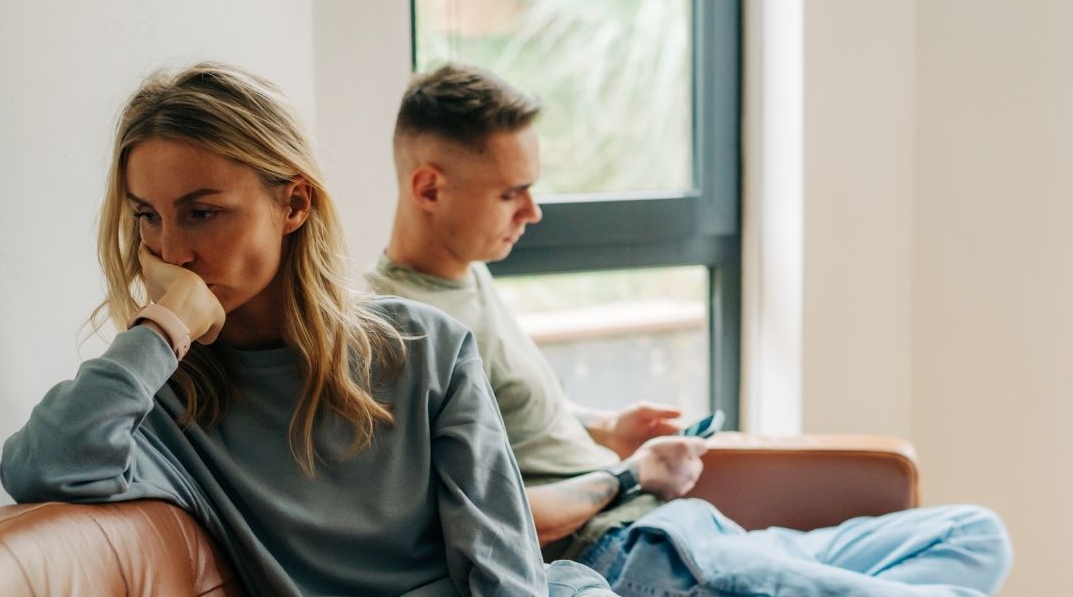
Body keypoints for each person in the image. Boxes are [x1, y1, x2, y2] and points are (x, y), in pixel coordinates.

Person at [367, 63, 1014, 596]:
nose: (533, 212)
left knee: (977, 535)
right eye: (512, 194)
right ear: (429, 189)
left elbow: (506, 415)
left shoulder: (465, 271)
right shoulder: (401, 333)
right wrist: (631, 474)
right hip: (629, 553)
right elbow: (479, 524)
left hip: (693, 529)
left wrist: (606, 428)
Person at [0, 62, 615, 597]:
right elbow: (41, 465)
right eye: (147, 217)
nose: (171, 251)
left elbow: (505, 575)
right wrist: (159, 329)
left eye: (202, 213)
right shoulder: (164, 402)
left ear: (293, 205)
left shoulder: (428, 352)